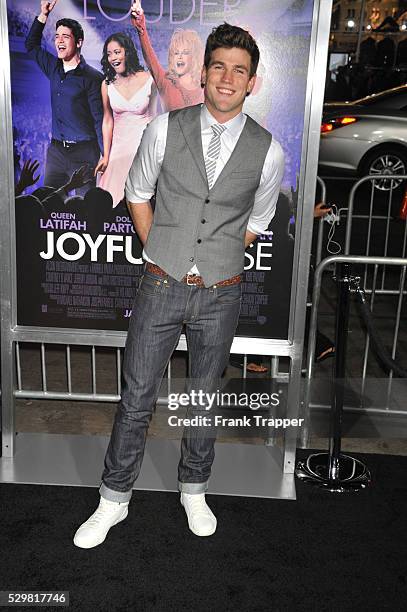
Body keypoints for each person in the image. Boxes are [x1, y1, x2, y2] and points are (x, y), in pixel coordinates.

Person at [74, 22, 284, 549]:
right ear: (207, 73)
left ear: (252, 82)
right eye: (219, 67)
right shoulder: (164, 129)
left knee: (205, 396)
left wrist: (212, 255)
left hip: (222, 290)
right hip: (161, 283)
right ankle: (112, 499)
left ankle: (194, 488)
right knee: (136, 396)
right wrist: (161, 251)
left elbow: (255, 222)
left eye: (239, 70)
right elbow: (138, 191)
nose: (227, 78)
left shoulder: (269, 150)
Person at [25, 1, 103, 195]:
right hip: (56, 153)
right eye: (57, 36)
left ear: (79, 42)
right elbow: (31, 45)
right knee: (49, 204)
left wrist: (105, 154)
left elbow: (99, 119)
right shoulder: (53, 67)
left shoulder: (93, 78)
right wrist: (43, 14)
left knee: (85, 209)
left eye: (65, 36)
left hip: (85, 154)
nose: (59, 40)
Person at [96, 33, 158, 207]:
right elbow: (107, 120)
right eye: (109, 54)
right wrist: (106, 155)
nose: (113, 58)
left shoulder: (149, 80)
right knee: (111, 205)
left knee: (140, 204)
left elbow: (154, 117)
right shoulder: (106, 84)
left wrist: (154, 153)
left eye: (117, 52)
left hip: (141, 151)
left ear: (127, 52)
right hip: (117, 154)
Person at [131, 0, 204, 111]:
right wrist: (141, 28)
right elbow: (150, 59)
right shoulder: (165, 82)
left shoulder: (205, 86)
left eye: (185, 52)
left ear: (194, 57)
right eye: (176, 53)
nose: (179, 56)